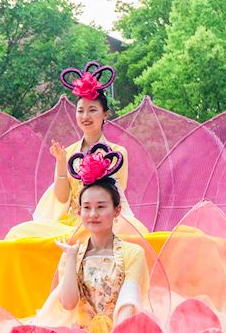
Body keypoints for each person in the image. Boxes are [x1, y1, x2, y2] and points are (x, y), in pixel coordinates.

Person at [7, 62, 132, 239]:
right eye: (80, 111)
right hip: (71, 223)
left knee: (129, 233)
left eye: (92, 110)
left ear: (105, 114)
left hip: (103, 222)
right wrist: (60, 161)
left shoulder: (117, 153)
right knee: (18, 233)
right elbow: (62, 197)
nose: (85, 116)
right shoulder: (70, 152)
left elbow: (115, 194)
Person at [37, 144, 148, 333]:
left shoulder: (133, 253)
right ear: (79, 213)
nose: (93, 214)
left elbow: (128, 300)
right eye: (86, 207)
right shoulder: (73, 254)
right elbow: (68, 303)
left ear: (116, 211)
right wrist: (71, 258)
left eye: (101, 206)